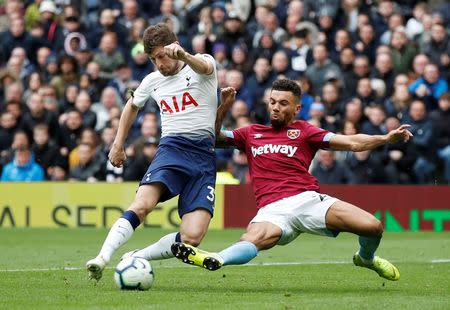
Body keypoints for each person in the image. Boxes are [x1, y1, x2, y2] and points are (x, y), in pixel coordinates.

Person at [171, 79, 413, 281]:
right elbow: (211, 138)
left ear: (297, 109)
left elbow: (351, 142)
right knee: (252, 239)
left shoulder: (305, 132)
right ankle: (217, 258)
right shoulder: (250, 133)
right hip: (272, 210)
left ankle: (365, 258)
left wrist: (385, 138)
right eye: (272, 102)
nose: (276, 107)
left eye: (283, 103)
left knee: (373, 227)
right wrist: (223, 108)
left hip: (307, 200)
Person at [86, 23, 222, 282]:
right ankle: (102, 258)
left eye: (162, 56)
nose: (158, 63)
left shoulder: (202, 64)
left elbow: (205, 67)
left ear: (176, 47)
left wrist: (183, 57)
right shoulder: (152, 81)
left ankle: (138, 255)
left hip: (203, 156)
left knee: (192, 237)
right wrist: (118, 143)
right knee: (142, 204)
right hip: (171, 149)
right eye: (153, 59)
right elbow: (131, 105)